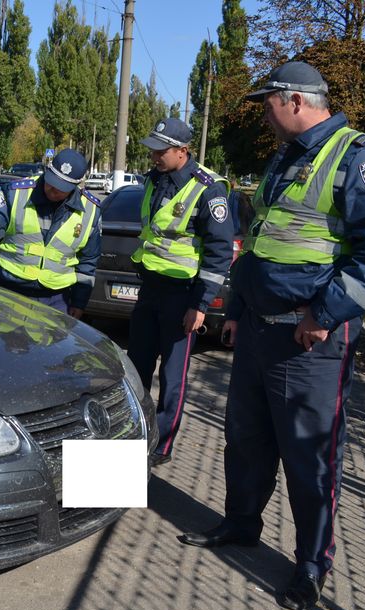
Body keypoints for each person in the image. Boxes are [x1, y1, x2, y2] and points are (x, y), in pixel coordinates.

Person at [177, 61, 365, 610]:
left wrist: (324, 314)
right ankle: (241, 524)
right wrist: (237, 309)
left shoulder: (361, 158)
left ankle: (311, 565)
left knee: (310, 458)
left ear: (296, 101)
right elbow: (259, 242)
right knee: (246, 441)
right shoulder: (286, 157)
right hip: (259, 332)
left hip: (310, 344)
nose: (265, 115)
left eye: (268, 105)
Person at [128, 118, 235, 465]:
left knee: (172, 378)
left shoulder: (208, 190)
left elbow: (219, 253)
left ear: (183, 151)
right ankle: (134, 436)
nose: (154, 156)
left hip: (182, 296)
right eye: (153, 150)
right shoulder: (154, 180)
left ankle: (160, 446)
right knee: (136, 369)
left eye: (161, 151)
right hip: (150, 290)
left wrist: (200, 305)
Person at [0, 148, 101, 319]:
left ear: (76, 186)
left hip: (57, 301)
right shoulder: (16, 194)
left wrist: (79, 302)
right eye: (51, 182)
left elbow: (88, 262)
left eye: (61, 188)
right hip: (9, 294)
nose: (53, 189)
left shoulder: (90, 211)